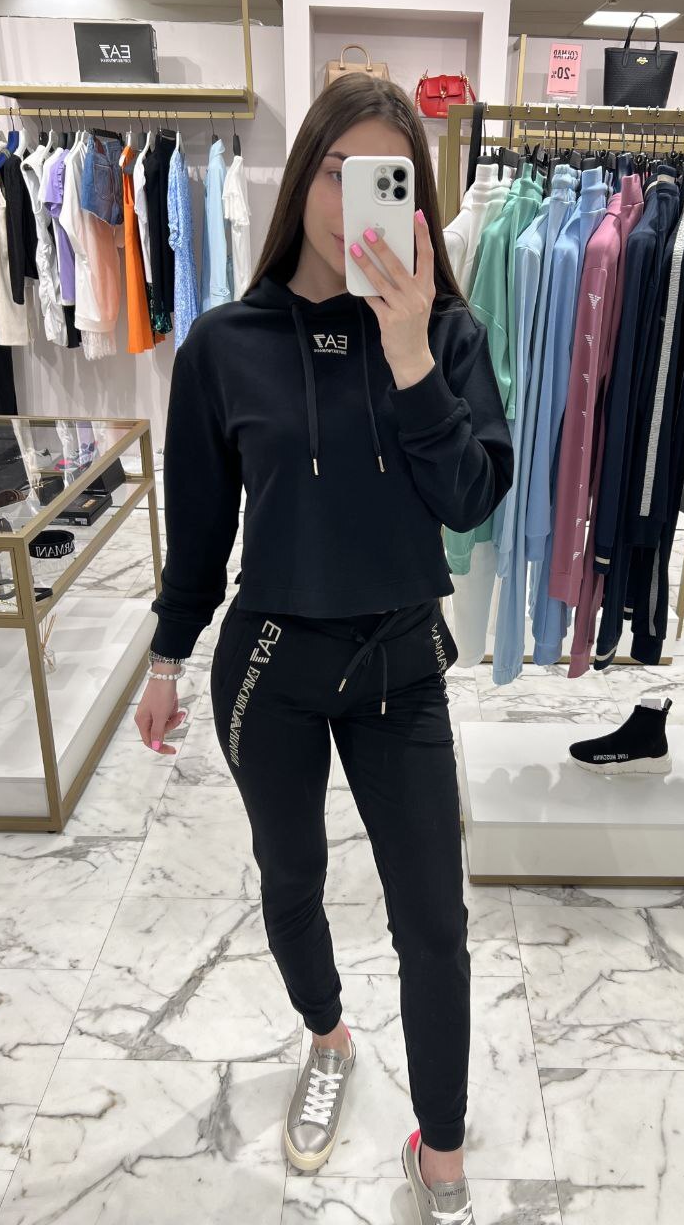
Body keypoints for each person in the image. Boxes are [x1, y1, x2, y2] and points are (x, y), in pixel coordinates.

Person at [134, 73, 513, 1225]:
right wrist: (165, 656)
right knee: (291, 877)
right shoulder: (224, 345)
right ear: (303, 176)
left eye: (384, 178)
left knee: (434, 923)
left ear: (417, 195)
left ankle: (440, 1156)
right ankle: (329, 1037)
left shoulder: (446, 332)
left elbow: (471, 497)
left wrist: (408, 355)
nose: (357, 201)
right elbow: (203, 527)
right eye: (339, 173)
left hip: (403, 663)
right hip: (272, 668)